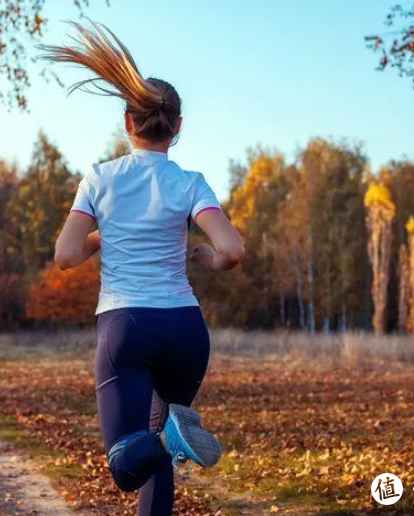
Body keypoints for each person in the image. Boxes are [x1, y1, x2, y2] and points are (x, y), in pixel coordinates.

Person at [41, 22, 245, 516]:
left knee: (124, 464)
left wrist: (103, 233)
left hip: (126, 328)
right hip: (185, 329)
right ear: (176, 126)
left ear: (127, 123)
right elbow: (232, 249)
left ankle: (171, 438)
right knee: (162, 454)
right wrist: (208, 258)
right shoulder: (190, 183)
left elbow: (66, 256)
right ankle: (172, 438)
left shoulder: (101, 179)